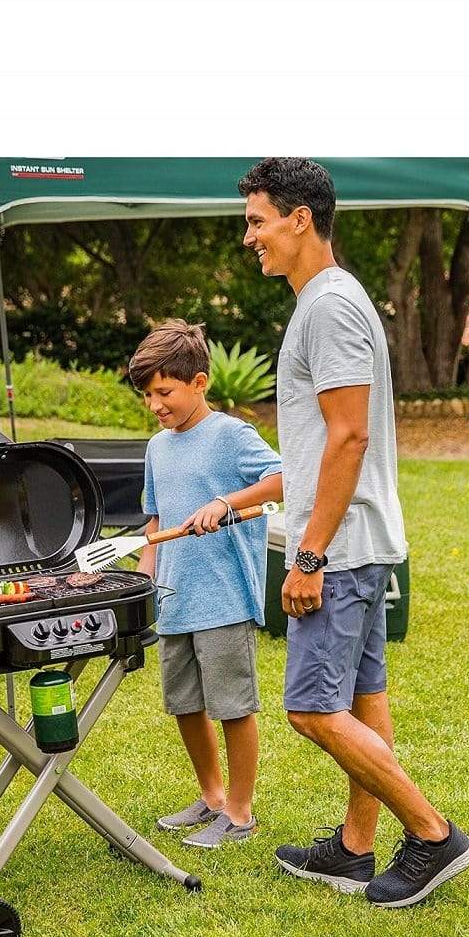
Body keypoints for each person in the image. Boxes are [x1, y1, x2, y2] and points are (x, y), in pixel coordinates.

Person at [237, 158, 469, 908]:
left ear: (299, 218)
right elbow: (324, 443)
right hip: (359, 542)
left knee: (312, 708)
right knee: (364, 697)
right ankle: (353, 848)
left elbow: (348, 438)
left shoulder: (330, 307)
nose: (249, 237)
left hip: (338, 549)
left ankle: (433, 833)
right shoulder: (327, 299)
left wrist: (308, 554)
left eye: (256, 221)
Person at [131, 319, 283, 849]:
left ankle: (240, 812)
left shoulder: (231, 435)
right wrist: (145, 577)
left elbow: (283, 478)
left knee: (232, 706)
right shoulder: (157, 447)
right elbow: (156, 522)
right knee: (185, 704)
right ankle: (212, 796)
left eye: (164, 392)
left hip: (224, 598)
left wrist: (225, 502)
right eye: (148, 395)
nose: (155, 405)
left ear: (199, 382)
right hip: (176, 599)